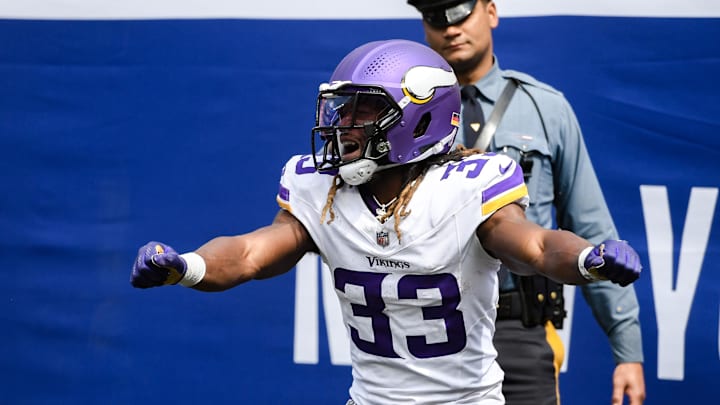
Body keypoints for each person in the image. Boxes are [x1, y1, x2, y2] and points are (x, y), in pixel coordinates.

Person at [130, 39, 642, 405]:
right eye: (342, 109)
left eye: (363, 111)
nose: (342, 126)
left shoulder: (468, 186)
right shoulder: (324, 189)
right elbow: (247, 254)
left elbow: (534, 248)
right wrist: (188, 266)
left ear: (422, 119)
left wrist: (587, 259)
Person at [406, 1, 646, 405]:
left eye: (461, 12)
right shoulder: (405, 114)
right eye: (435, 17)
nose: (450, 28)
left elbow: (590, 229)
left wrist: (627, 349)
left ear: (491, 12)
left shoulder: (546, 109)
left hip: (519, 327)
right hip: (430, 327)